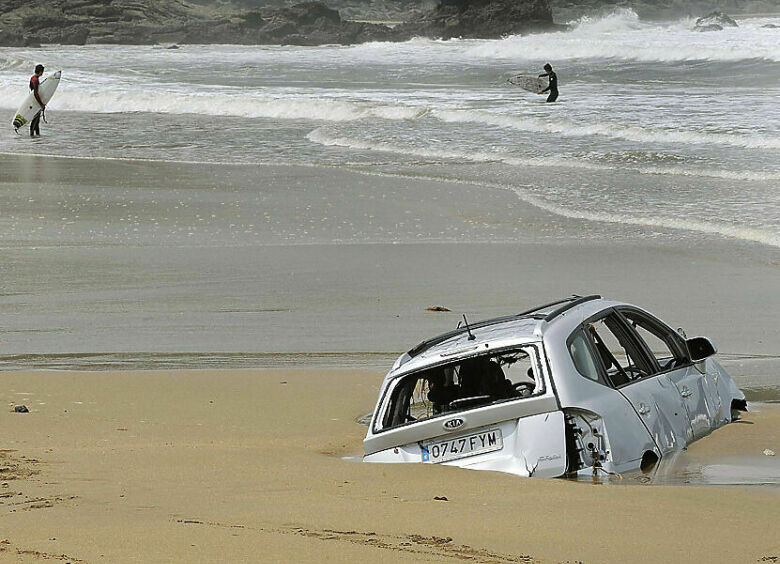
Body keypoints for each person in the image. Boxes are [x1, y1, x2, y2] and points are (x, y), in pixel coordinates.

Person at [29, 64, 46, 137]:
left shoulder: (33, 78)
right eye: (42, 71)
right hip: (36, 102)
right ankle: (32, 135)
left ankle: (37, 135)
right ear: (41, 71)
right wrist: (41, 104)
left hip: (33, 100)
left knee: (36, 119)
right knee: (35, 120)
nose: (42, 73)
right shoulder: (35, 80)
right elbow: (35, 93)